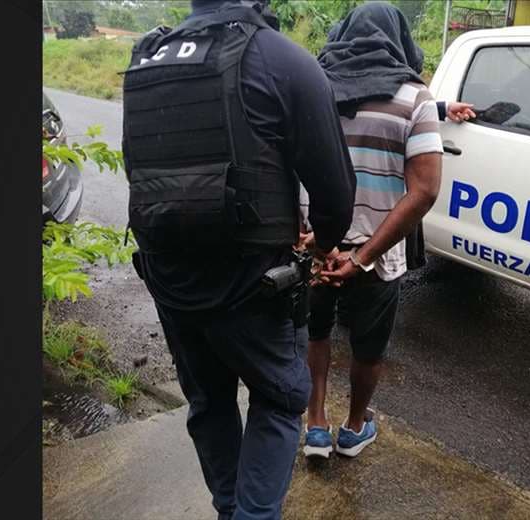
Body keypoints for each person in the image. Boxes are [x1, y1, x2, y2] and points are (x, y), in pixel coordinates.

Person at [121, 1, 355, 518]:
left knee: (208, 401)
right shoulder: (284, 60)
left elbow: (135, 166)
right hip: (257, 287)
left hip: (170, 281)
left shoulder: (146, 60)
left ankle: (230, 510)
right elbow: (336, 197)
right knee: (280, 398)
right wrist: (320, 245)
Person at [299, 1, 473, 459]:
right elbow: (425, 190)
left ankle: (315, 425)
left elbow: (284, 164)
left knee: (315, 334)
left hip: (314, 245)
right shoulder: (414, 99)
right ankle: (354, 428)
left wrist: (313, 242)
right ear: (399, 40)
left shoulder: (312, 88)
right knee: (368, 349)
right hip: (378, 252)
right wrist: (361, 258)